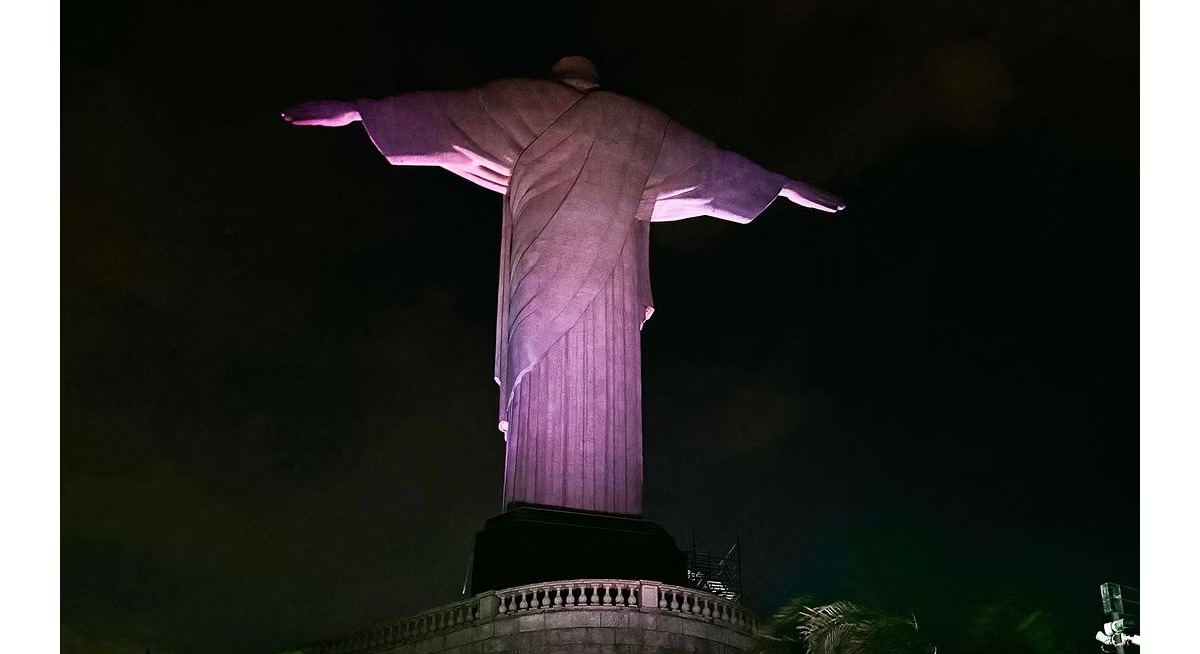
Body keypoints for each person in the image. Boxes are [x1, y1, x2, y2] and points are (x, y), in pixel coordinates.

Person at [281, 57, 843, 518]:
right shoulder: (638, 125)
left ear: (559, 78)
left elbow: (448, 115)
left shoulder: (522, 102)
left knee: (553, 374)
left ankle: (564, 512)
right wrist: (783, 186)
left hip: (547, 274)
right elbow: (712, 168)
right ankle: (566, 509)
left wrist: (362, 112)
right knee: (556, 382)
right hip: (591, 281)